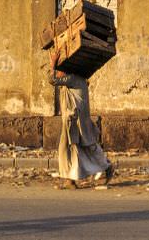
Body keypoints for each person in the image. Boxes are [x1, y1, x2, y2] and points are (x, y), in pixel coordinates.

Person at [49, 52, 114, 189]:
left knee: (83, 147)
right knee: (72, 149)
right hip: (75, 120)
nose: (59, 73)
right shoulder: (76, 80)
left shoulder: (72, 79)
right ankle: (70, 180)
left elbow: (52, 80)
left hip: (76, 121)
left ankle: (106, 167)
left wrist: (53, 64)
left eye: (60, 70)